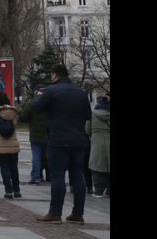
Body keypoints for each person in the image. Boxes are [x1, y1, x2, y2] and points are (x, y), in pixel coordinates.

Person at [30, 63, 92, 225]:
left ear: (55, 75)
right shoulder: (80, 92)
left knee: (57, 176)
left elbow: (35, 107)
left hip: (57, 140)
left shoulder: (50, 91)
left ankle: (55, 213)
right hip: (78, 140)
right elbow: (88, 114)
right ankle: (78, 213)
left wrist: (39, 94)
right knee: (77, 176)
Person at [0, 90, 22, 199]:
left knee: (4, 167)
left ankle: (8, 191)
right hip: (13, 143)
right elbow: (15, 122)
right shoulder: (13, 111)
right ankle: (17, 190)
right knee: (14, 167)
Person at [21, 85, 48, 184]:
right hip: (48, 134)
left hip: (35, 135)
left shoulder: (32, 103)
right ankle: (53, 176)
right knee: (49, 156)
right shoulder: (50, 102)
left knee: (36, 156)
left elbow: (24, 117)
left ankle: (35, 177)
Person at [87, 92, 110, 197]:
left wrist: (93, 135)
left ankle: (98, 191)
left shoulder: (92, 115)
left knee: (97, 166)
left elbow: (87, 129)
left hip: (97, 144)